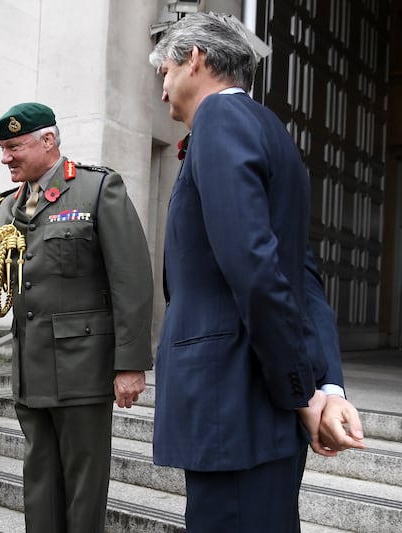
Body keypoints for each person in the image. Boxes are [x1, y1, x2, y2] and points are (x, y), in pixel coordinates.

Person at [148, 12, 365, 532]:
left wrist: (304, 392)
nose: (162, 92)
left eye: (164, 73)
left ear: (195, 58)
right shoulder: (269, 128)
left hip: (233, 407)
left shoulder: (220, 122)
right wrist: (326, 384)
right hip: (254, 410)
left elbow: (255, 270)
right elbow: (302, 273)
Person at [0, 102, 154, 532]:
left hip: (84, 368)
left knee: (83, 484)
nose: (5, 158)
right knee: (38, 481)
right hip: (32, 370)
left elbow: (130, 279)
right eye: (2, 149)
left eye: (13, 146)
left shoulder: (96, 189)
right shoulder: (5, 209)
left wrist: (130, 363)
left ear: (48, 141)